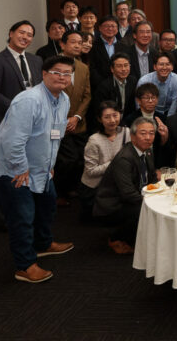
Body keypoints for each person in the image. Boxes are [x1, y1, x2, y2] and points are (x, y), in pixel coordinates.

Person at [0, 55, 75, 283]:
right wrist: (20, 168)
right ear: (44, 74)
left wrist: (49, 165)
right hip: (14, 169)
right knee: (22, 217)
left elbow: (55, 135)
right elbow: (13, 141)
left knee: (47, 205)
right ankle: (24, 266)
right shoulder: (29, 100)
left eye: (67, 74)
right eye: (57, 72)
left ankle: (43, 244)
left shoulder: (63, 99)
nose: (62, 77)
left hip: (40, 167)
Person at [92, 115, 159, 255]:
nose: (148, 137)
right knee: (143, 209)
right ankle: (116, 238)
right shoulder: (125, 158)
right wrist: (152, 201)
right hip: (112, 205)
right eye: (143, 133)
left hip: (132, 196)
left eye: (151, 133)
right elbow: (128, 194)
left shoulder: (147, 151)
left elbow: (152, 178)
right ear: (133, 137)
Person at [52, 29, 92, 207]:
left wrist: (76, 117)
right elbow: (49, 96)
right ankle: (59, 192)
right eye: (73, 42)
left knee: (81, 158)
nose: (77, 45)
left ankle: (72, 189)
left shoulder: (83, 67)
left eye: (80, 43)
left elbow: (87, 96)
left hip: (79, 122)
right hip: (59, 124)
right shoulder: (53, 66)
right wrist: (65, 119)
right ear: (62, 44)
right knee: (66, 160)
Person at [0, 20, 44, 136]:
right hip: (8, 122)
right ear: (11, 34)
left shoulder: (36, 60)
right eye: (21, 32)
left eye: (29, 35)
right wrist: (18, 108)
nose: (25, 37)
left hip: (35, 120)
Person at [80, 101, 130, 221]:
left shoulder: (126, 132)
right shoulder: (94, 140)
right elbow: (90, 171)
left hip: (116, 185)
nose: (112, 120)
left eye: (115, 115)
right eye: (107, 117)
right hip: (96, 189)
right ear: (99, 119)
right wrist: (115, 163)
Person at [92, 52, 137, 125]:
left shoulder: (133, 81)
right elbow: (100, 111)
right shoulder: (104, 87)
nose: (123, 69)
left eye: (126, 65)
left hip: (127, 122)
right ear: (112, 69)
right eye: (119, 66)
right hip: (109, 123)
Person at [136, 51, 177, 117]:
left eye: (167, 64)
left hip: (168, 113)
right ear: (155, 67)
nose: (164, 67)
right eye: (161, 64)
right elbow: (139, 104)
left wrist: (169, 121)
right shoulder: (144, 81)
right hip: (148, 113)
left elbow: (174, 104)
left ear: (172, 67)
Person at [88, 16, 121, 92]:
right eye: (106, 26)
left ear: (117, 29)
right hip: (98, 87)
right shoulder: (92, 45)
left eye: (113, 26)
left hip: (119, 85)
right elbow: (92, 68)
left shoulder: (123, 46)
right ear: (100, 28)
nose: (110, 29)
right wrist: (104, 84)